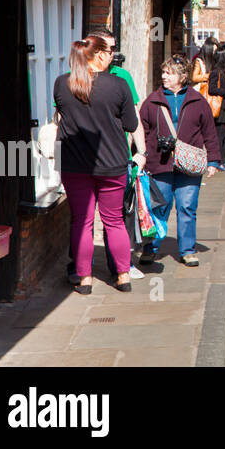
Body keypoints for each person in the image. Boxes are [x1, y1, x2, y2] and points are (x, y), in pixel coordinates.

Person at [54, 35, 146, 294]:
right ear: (100, 56)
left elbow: (61, 116)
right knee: (114, 220)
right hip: (113, 162)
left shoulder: (62, 84)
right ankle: (123, 275)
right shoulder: (118, 85)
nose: (112, 57)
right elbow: (130, 124)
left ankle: (84, 279)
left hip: (73, 163)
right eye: (109, 52)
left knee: (81, 221)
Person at [137, 55, 220, 266]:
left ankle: (187, 250)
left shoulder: (197, 101)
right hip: (159, 163)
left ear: (182, 77)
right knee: (158, 208)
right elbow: (142, 131)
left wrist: (213, 161)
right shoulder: (152, 101)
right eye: (163, 72)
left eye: (169, 73)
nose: (164, 76)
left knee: (187, 207)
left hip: (189, 165)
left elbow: (210, 132)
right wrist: (140, 156)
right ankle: (151, 247)